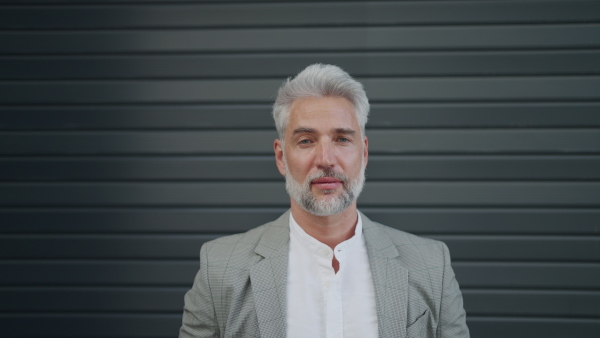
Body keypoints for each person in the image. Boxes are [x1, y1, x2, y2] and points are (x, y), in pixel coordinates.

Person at [179, 64, 469, 338]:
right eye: (306, 140)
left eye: (342, 139)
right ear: (281, 156)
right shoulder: (220, 268)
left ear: (364, 153)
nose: (326, 160)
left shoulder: (431, 266)